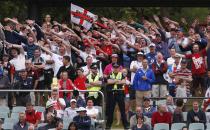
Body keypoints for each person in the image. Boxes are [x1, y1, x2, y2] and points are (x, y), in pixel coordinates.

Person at [106, 63, 129, 129]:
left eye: (117, 67)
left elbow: (124, 81)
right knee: (111, 110)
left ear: (119, 68)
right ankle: (108, 125)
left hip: (120, 93)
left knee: (122, 110)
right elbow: (108, 81)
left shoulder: (121, 74)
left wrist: (114, 81)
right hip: (112, 94)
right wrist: (117, 81)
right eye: (114, 67)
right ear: (112, 68)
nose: (116, 69)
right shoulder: (110, 74)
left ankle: (126, 125)